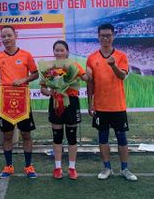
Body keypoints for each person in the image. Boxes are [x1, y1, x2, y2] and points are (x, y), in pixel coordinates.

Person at [86, 23, 137, 181]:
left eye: (108, 35)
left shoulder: (121, 56)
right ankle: (107, 168)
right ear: (98, 37)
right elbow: (90, 83)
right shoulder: (91, 58)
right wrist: (90, 104)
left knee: (122, 137)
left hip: (117, 106)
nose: (105, 38)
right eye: (102, 36)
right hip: (100, 106)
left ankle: (125, 169)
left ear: (113, 36)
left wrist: (113, 65)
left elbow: (122, 76)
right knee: (103, 138)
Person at [0, 25, 39, 179]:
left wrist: (24, 79)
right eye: (3, 36)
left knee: (26, 135)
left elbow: (35, 74)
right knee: (7, 135)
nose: (6, 38)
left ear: (15, 35)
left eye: (9, 35)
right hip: (6, 101)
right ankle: (8, 166)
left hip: (22, 100)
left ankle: (28, 166)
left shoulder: (26, 55)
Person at [40, 40, 89, 180]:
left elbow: (86, 78)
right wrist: (50, 92)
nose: (59, 53)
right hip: (56, 102)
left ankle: (72, 168)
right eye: (57, 50)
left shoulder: (74, 65)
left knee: (72, 137)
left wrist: (88, 72)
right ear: (53, 52)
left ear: (67, 51)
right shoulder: (49, 68)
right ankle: (57, 168)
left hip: (71, 102)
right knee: (57, 136)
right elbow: (43, 88)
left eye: (62, 50)